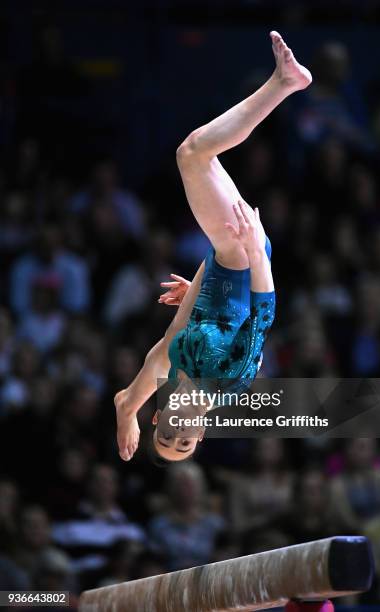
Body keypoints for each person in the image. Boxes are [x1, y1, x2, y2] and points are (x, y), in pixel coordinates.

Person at [114, 31, 312, 463]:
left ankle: (285, 81)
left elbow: (154, 364)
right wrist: (254, 251)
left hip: (224, 258)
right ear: (201, 434)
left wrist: (201, 289)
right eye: (183, 443)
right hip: (245, 256)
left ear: (159, 416)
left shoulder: (178, 361)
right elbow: (263, 315)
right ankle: (284, 83)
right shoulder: (231, 383)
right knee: (193, 155)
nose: (176, 434)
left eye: (166, 437)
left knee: (200, 154)